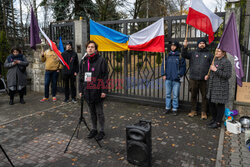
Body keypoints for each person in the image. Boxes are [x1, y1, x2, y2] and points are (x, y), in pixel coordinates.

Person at [79, 40, 108, 141]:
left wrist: (104, 90)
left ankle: (102, 131)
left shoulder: (101, 60)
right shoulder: (83, 61)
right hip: (87, 91)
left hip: (98, 91)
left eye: (92, 47)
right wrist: (80, 90)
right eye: (88, 47)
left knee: (99, 112)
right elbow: (81, 77)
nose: (90, 48)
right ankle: (94, 129)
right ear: (86, 49)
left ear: (95, 49)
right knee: (91, 112)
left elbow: (105, 76)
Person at [182, 39, 213, 120]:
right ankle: (193, 110)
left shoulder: (209, 54)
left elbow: (212, 66)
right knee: (193, 95)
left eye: (203, 43)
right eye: (200, 43)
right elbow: (184, 55)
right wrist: (185, 47)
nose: (202, 44)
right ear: (198, 44)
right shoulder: (193, 53)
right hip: (193, 78)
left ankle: (204, 112)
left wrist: (209, 75)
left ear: (205, 44)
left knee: (204, 97)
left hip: (204, 80)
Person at [205, 48, 232, 128]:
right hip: (212, 86)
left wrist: (216, 70)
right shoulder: (215, 60)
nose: (216, 52)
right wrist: (208, 76)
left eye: (219, 51)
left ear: (223, 53)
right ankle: (214, 119)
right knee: (211, 102)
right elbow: (213, 73)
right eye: (216, 50)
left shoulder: (226, 62)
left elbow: (227, 75)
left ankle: (218, 122)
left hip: (221, 87)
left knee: (220, 104)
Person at [161, 41, 186, 115]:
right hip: (168, 78)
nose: (173, 47)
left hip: (176, 79)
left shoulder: (180, 56)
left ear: (176, 47)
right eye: (172, 46)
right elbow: (163, 65)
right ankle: (167, 108)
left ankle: (175, 109)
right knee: (168, 94)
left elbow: (183, 67)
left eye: (174, 46)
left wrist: (179, 75)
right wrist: (163, 74)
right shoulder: (167, 55)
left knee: (175, 95)